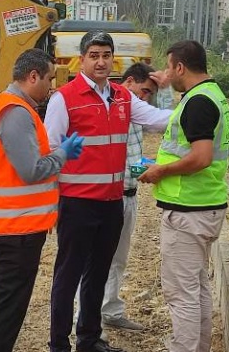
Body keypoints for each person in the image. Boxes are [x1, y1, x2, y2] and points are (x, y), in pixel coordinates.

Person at [45, 32, 173, 352]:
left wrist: (186, 99)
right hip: (77, 204)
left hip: (111, 203)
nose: (101, 61)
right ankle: (59, 344)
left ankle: (88, 340)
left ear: (113, 60)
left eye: (106, 55)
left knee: (98, 275)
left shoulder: (122, 97)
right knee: (68, 276)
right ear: (82, 59)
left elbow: (159, 120)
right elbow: (50, 149)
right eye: (94, 55)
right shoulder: (65, 97)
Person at [0, 48, 84, 352]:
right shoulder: (15, 112)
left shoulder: (16, 108)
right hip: (15, 231)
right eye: (49, 78)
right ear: (33, 76)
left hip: (16, 228)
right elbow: (31, 170)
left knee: (7, 309)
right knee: (6, 312)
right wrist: (62, 154)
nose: (51, 86)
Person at [137, 40, 229, 352]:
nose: (166, 73)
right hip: (205, 204)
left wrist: (160, 172)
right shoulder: (213, 94)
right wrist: (159, 164)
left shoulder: (198, 102)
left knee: (182, 293)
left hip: (189, 209)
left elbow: (201, 157)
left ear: (180, 67)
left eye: (169, 66)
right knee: (197, 286)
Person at [78, 62, 174, 335]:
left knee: (117, 259)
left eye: (149, 95)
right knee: (95, 262)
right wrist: (151, 169)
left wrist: (147, 167)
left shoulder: (131, 108)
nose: (145, 99)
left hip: (127, 195)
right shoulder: (117, 104)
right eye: (144, 91)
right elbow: (162, 121)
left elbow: (157, 126)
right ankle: (85, 321)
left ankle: (110, 310)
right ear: (129, 82)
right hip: (109, 196)